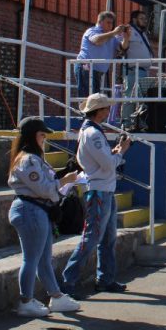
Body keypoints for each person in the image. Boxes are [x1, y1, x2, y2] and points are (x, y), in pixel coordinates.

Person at [7, 117, 82, 317]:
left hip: (38, 210)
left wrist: (65, 176)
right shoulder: (28, 159)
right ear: (32, 136)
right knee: (31, 259)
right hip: (30, 209)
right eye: (41, 135)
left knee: (43, 259)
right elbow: (43, 188)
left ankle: (56, 296)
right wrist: (64, 180)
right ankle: (25, 300)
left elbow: (48, 184)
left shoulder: (35, 158)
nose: (44, 139)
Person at [60, 94, 132, 297]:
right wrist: (121, 152)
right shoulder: (93, 133)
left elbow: (104, 160)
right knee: (91, 238)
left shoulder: (90, 132)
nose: (108, 111)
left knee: (107, 238)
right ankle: (68, 281)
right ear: (99, 111)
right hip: (100, 190)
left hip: (104, 189)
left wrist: (115, 153)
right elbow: (108, 164)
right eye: (105, 108)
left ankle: (105, 278)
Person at [75, 11, 129, 98]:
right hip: (86, 66)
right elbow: (97, 41)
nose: (110, 25)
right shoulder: (92, 30)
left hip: (97, 71)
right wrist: (114, 33)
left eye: (111, 23)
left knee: (94, 98)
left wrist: (126, 38)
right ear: (100, 22)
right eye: (108, 22)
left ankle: (88, 111)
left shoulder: (112, 36)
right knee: (88, 98)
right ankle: (84, 112)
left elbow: (121, 49)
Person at [120, 9, 154, 124]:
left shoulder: (143, 33)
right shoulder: (128, 30)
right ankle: (126, 124)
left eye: (145, 19)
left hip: (144, 71)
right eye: (142, 19)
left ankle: (139, 123)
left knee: (142, 99)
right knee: (130, 97)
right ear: (134, 19)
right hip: (133, 70)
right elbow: (121, 48)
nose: (145, 21)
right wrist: (125, 38)